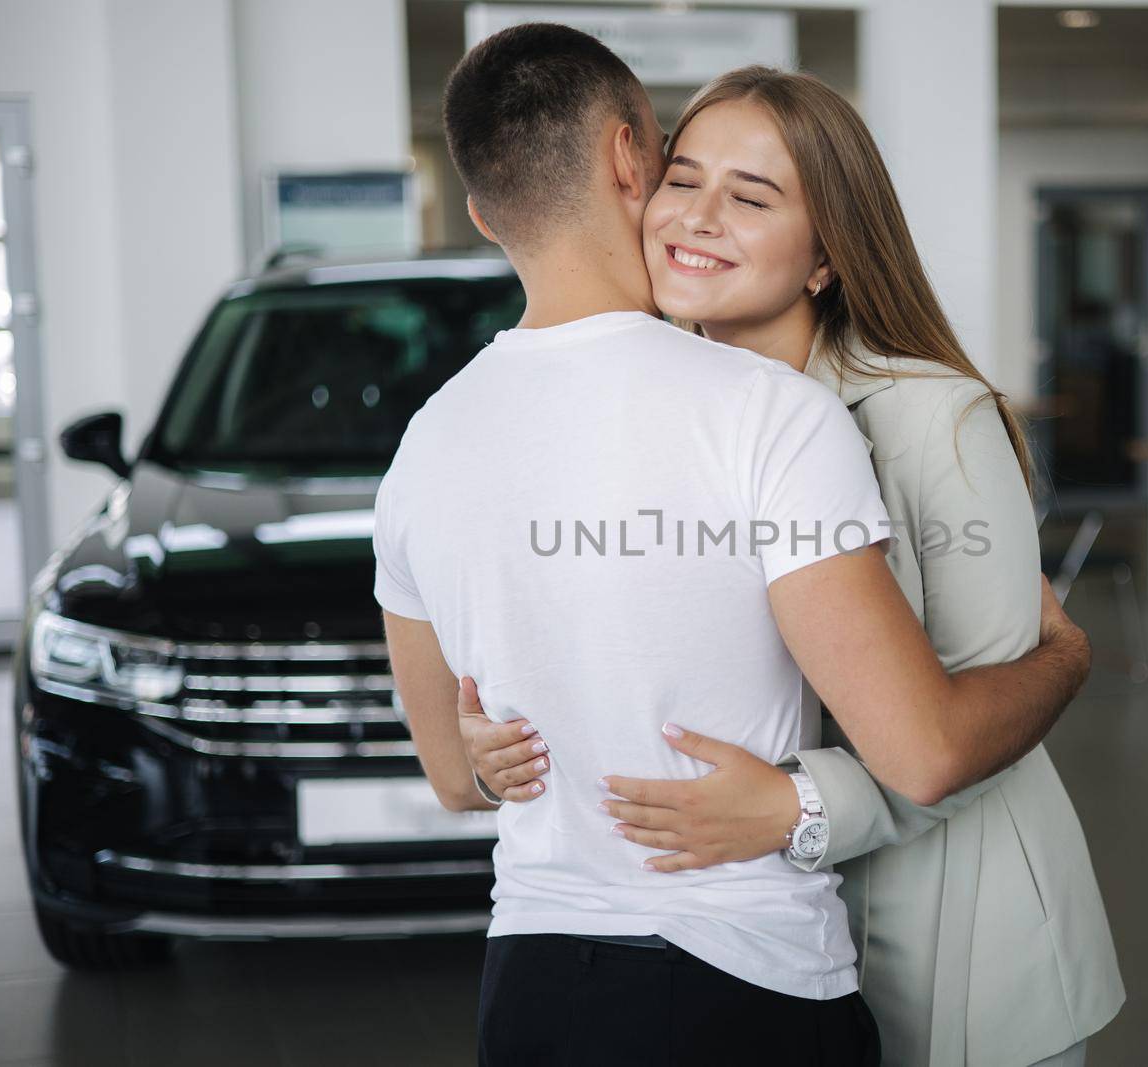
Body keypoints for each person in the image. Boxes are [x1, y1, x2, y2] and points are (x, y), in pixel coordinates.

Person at [380, 25, 1093, 1067]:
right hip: (753, 949)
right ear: (636, 169)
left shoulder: (927, 417)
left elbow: (953, 743)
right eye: (684, 179)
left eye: (753, 197)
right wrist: (496, 758)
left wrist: (799, 803)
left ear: (826, 255)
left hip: (952, 951)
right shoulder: (705, 408)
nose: (696, 219)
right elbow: (487, 741)